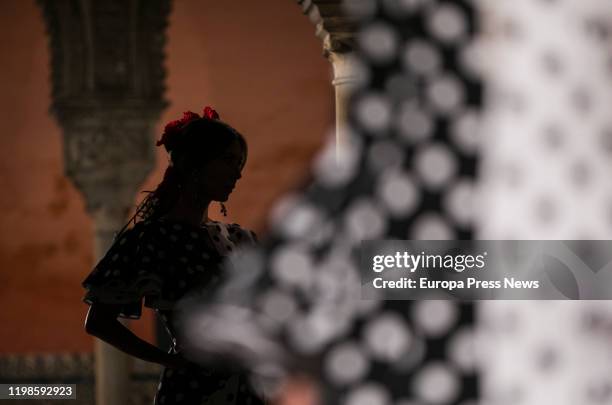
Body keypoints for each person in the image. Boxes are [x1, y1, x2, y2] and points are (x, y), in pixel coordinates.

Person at [81, 106, 266, 404]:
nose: (238, 173)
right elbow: (99, 321)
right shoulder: (151, 239)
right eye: (228, 160)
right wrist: (174, 362)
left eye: (239, 163)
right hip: (193, 392)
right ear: (196, 165)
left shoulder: (238, 238)